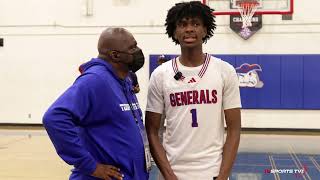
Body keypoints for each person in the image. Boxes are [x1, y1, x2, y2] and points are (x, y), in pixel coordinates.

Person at [145, 1, 241, 180]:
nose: (189, 29)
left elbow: (234, 129)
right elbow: (151, 131)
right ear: (174, 31)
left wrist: (223, 176)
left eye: (196, 24)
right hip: (172, 172)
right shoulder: (160, 75)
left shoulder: (224, 70)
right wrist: (168, 175)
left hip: (212, 172)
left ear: (205, 30)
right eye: (182, 24)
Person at [43, 27, 150, 180]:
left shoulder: (124, 79)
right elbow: (54, 118)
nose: (138, 51)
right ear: (115, 55)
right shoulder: (95, 80)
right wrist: (90, 166)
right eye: (132, 48)